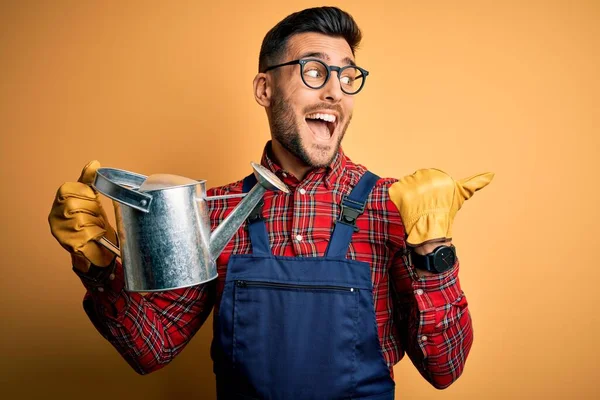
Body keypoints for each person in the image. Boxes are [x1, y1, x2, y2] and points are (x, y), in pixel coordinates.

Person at [48, 6, 493, 399]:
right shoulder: (215, 210)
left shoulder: (395, 206)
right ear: (264, 89)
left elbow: (445, 370)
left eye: (347, 75)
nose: (335, 91)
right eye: (314, 71)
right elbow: (152, 349)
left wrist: (432, 248)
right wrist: (100, 266)